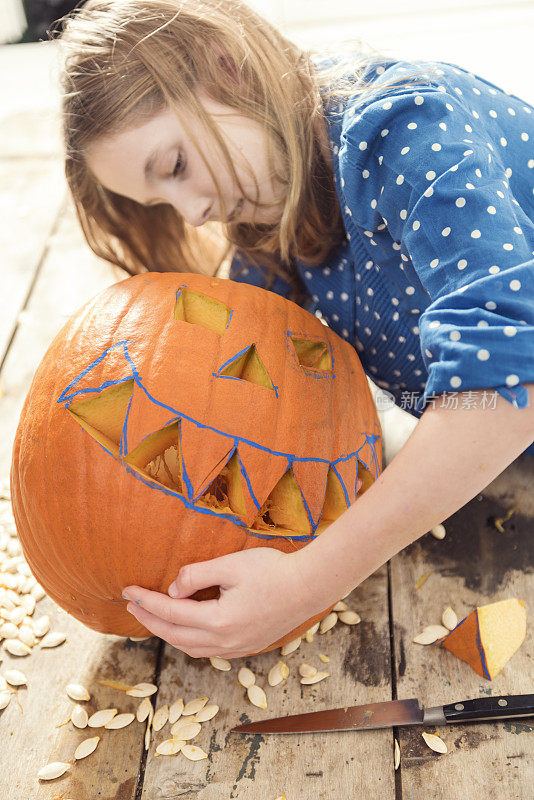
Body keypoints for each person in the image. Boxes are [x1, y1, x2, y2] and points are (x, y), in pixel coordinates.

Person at [56, 0, 534, 659]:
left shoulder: (404, 129)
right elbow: (234, 402)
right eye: (163, 200)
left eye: (173, 167)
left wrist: (310, 579)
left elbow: (512, 385)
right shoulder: (265, 208)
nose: (194, 212)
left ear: (230, 69)